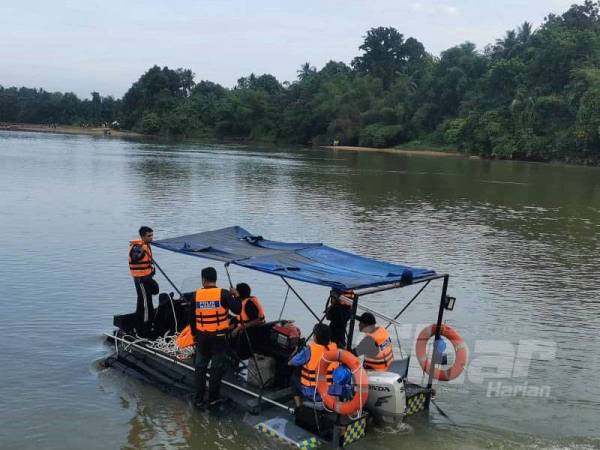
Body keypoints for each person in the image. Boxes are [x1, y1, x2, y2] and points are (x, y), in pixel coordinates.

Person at [192, 267, 241, 409]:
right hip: (219, 337)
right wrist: (236, 296)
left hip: (202, 337)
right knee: (216, 368)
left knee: (200, 367)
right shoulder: (224, 294)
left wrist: (196, 335)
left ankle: (198, 399)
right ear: (215, 279)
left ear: (203, 280)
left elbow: (191, 318)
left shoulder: (197, 295)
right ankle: (213, 399)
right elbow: (237, 310)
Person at [288, 323, 338, 407]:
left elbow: (291, 362)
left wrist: (296, 350)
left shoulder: (309, 350)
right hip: (329, 392)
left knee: (294, 377)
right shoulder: (335, 349)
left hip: (313, 393)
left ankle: (298, 406)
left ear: (316, 337)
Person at [128, 226, 158, 337]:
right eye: (149, 236)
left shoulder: (146, 245)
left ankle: (142, 324)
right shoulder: (138, 247)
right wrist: (142, 249)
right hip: (141, 280)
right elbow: (135, 257)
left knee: (145, 301)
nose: (151, 238)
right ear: (142, 236)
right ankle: (145, 329)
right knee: (145, 303)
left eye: (152, 235)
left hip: (147, 278)